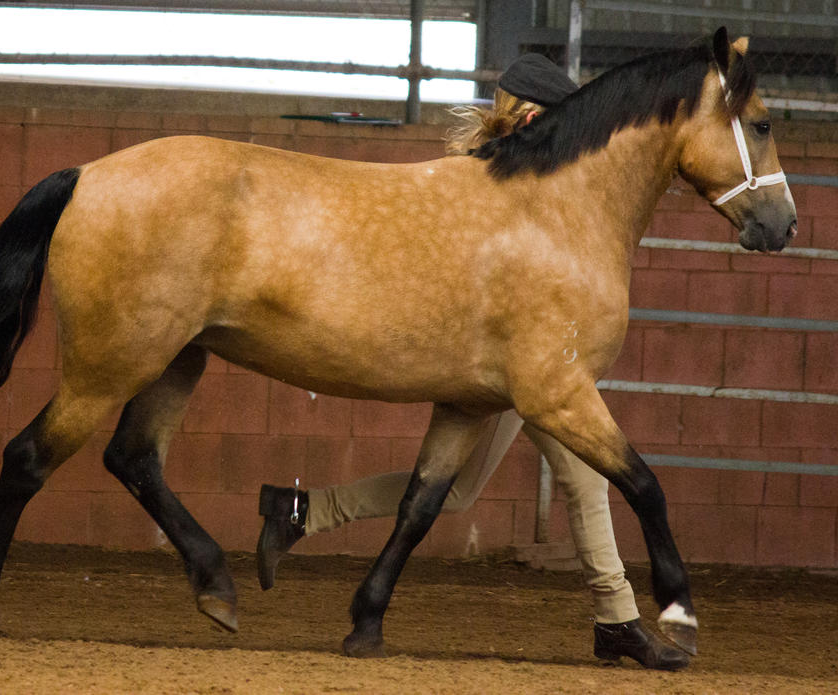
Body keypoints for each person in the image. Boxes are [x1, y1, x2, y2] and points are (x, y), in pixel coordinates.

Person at [256, 54, 689, 672]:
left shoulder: (519, 181)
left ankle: (302, 512)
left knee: (455, 490)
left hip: (500, 360)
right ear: (533, 115)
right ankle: (616, 618)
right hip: (505, 358)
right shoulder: (493, 183)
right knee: (586, 478)